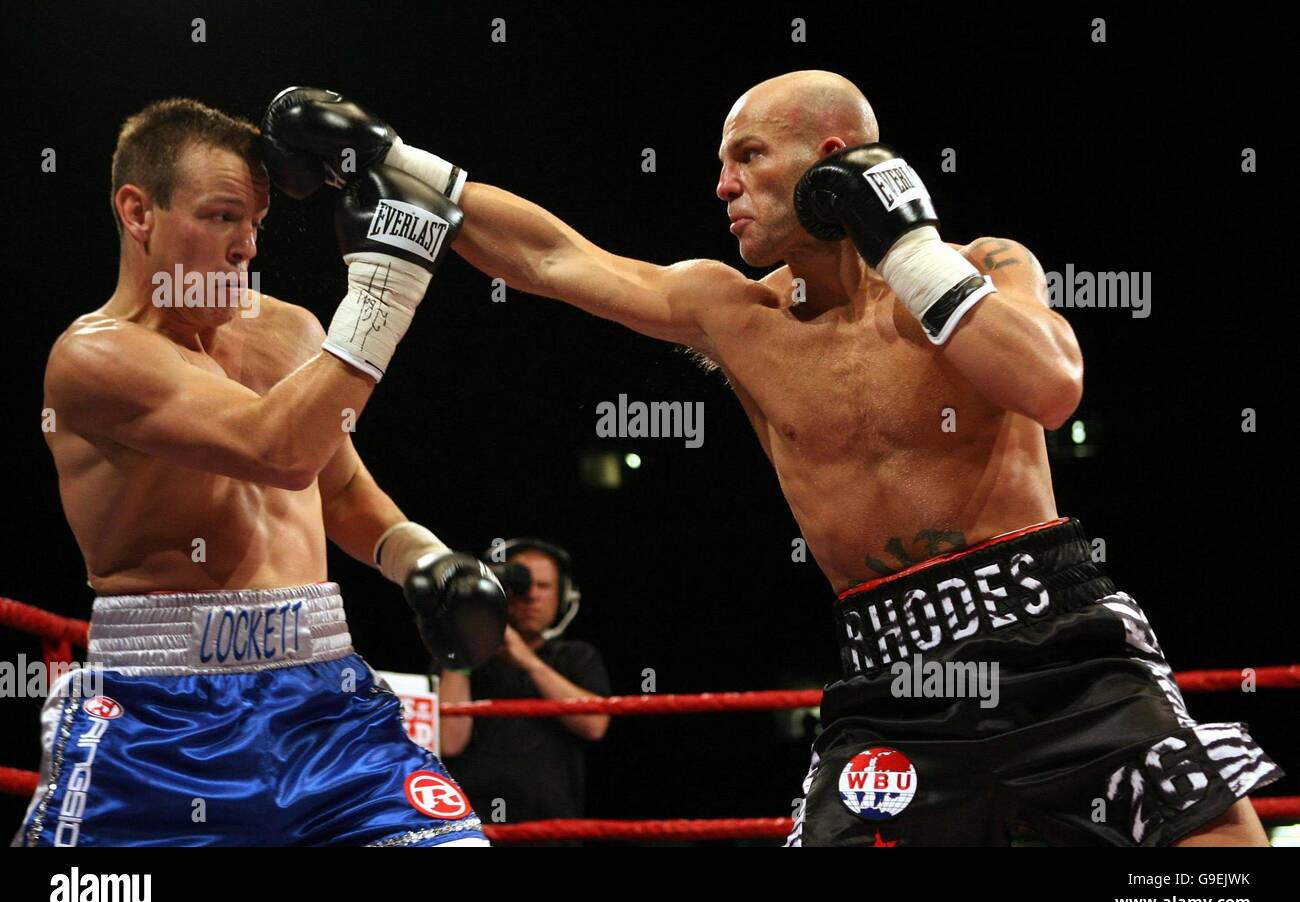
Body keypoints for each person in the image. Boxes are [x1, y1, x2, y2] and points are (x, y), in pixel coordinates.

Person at [275, 73, 1282, 845]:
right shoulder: (737, 314)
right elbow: (553, 259)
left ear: (832, 158)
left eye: (748, 158)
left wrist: (910, 244)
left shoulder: (980, 267)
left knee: (1212, 858)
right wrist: (386, 151)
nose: (722, 187)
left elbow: (1051, 384)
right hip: (892, 670)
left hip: (1053, 632)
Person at [13, 96, 504, 847]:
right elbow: (278, 451)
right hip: (161, 719)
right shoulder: (92, 359)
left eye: (255, 223)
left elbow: (334, 483)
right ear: (138, 211)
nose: (244, 246)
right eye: (219, 217)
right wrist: (385, 288)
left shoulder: (291, 330)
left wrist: (422, 560)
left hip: (325, 705)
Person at [441, 539, 610, 825]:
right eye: (522, 585)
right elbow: (449, 742)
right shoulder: (463, 657)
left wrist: (528, 662)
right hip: (473, 827)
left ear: (563, 596)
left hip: (550, 829)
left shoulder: (576, 656)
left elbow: (595, 725)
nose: (532, 596)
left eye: (544, 586)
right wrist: (465, 643)